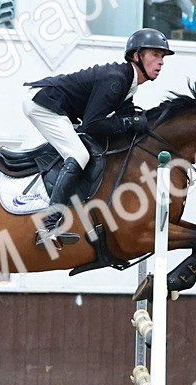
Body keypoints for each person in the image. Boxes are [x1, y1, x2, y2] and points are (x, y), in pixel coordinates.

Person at [22, 27, 173, 247]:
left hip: (54, 104)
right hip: (43, 103)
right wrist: (129, 122)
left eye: (163, 57)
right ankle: (48, 225)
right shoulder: (116, 80)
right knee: (78, 155)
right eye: (155, 55)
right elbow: (92, 125)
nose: (161, 62)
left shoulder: (127, 83)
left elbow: (126, 117)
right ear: (136, 56)